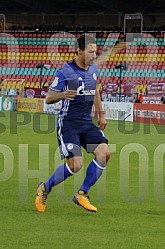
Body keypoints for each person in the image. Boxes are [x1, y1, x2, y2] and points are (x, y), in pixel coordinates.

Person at [35, 34, 111, 213]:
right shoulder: (65, 72)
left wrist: (101, 115)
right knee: (76, 164)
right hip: (68, 124)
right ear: (79, 51)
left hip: (86, 123)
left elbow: (95, 91)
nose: (94, 55)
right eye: (91, 52)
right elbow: (49, 97)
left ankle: (82, 194)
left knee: (104, 153)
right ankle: (44, 188)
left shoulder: (93, 69)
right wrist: (62, 95)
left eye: (96, 51)